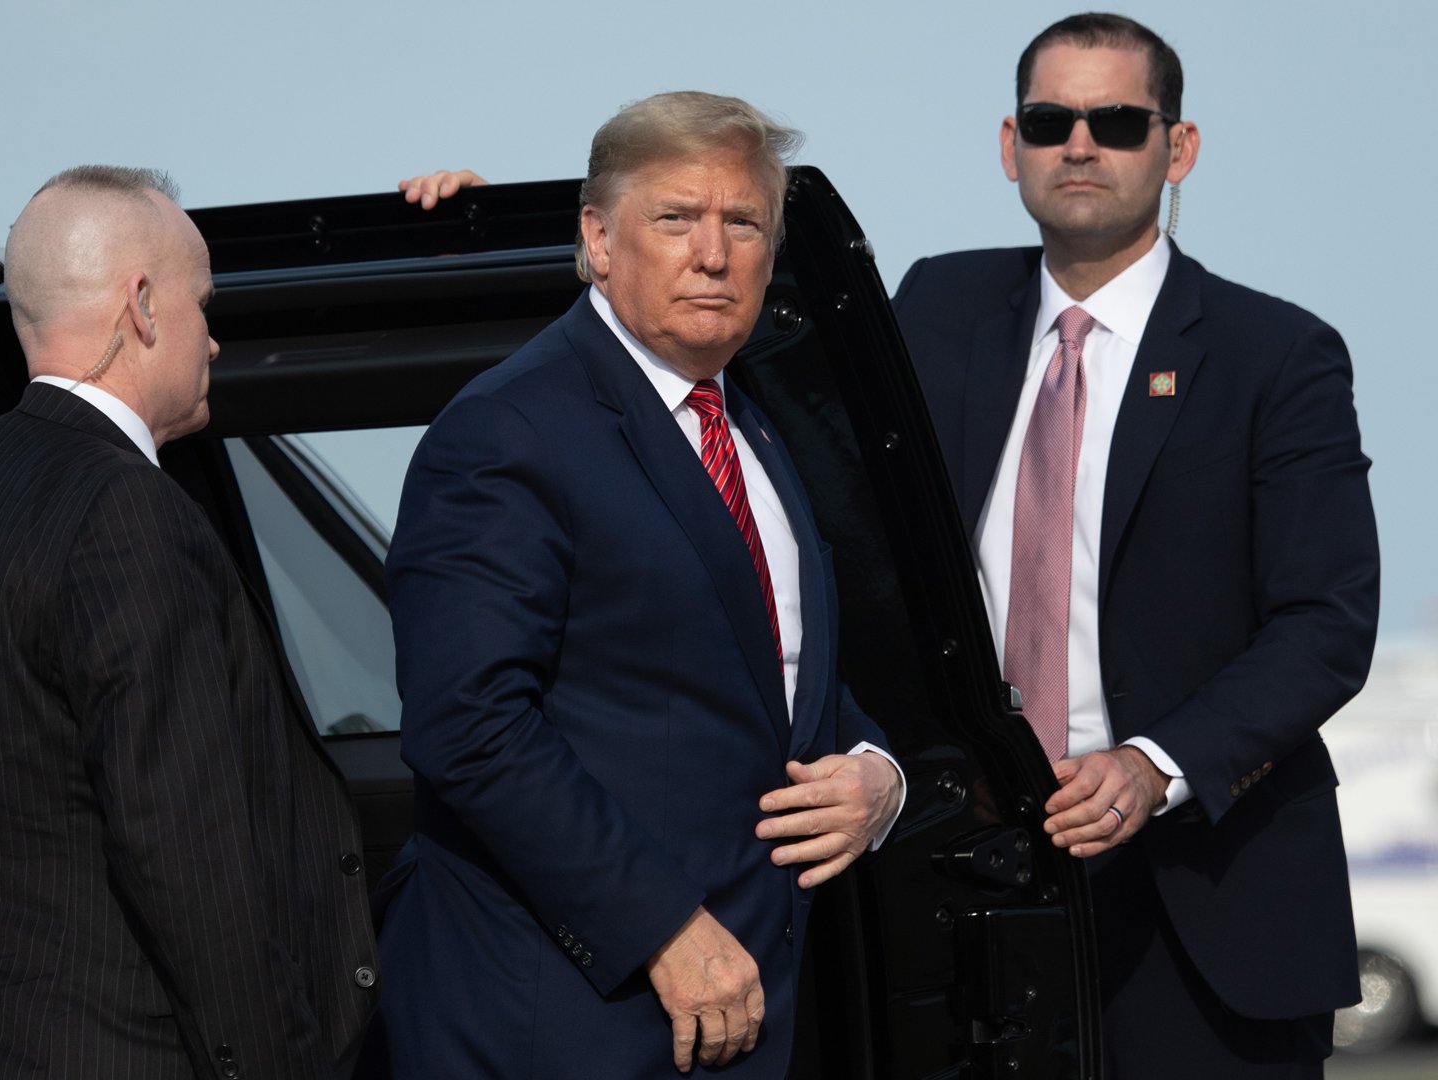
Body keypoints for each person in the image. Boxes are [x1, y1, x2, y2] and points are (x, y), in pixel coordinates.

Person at [378, 92, 905, 1079]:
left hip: (744, 1021)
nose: (714, 253)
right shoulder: (509, 431)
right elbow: (469, 723)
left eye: (743, 222)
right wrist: (662, 929)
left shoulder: (749, 428)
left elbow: (774, 681)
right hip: (563, 1026)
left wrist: (876, 769)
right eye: (676, 219)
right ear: (599, 238)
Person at [889, 14, 1378, 1078]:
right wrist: (464, 222)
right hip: (967, 884)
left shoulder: (1275, 355)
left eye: (1115, 120)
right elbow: (721, 331)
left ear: (1178, 147)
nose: (1079, 144)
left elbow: (1326, 624)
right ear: (1009, 144)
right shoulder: (934, 306)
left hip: (1205, 893)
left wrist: (1156, 767)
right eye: (1049, 119)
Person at [0, 165, 378, 1079]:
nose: (213, 340)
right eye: (202, 304)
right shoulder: (126, 514)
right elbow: (190, 860)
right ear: (141, 305)